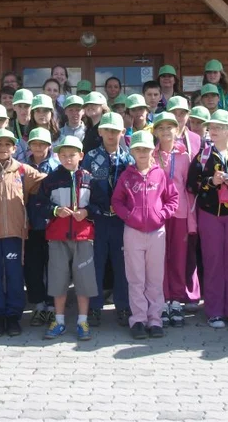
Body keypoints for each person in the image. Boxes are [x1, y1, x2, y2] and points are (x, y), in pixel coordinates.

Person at [0, 129, 47, 337]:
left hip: (15, 234)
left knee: (14, 276)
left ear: (14, 148)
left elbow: (46, 181)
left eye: (7, 145)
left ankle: (13, 316)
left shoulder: (22, 171)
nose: (3, 148)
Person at [113, 130, 179, 339]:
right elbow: (117, 201)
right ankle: (138, 319)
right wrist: (129, 216)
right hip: (133, 232)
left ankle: (155, 319)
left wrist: (161, 215)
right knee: (136, 278)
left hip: (156, 232)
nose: (142, 152)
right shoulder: (126, 175)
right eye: (138, 149)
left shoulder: (160, 174)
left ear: (153, 150)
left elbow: (173, 199)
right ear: (132, 151)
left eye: (146, 149)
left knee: (155, 278)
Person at [188, 110, 228, 330]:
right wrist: (210, 182)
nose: (212, 131)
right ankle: (214, 311)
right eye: (211, 127)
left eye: (218, 127)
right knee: (213, 262)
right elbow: (191, 185)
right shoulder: (203, 155)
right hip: (209, 215)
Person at [34, 136, 98, 341]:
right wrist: (54, 211)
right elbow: (39, 206)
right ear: (57, 156)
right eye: (63, 155)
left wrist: (87, 212)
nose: (68, 159)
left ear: (81, 155)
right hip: (57, 238)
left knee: (83, 280)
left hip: (83, 237)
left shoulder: (89, 178)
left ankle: (82, 321)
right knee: (58, 280)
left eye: (72, 155)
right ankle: (59, 320)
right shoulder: (51, 179)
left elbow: (100, 206)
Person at [83, 112, 133, 327]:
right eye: (108, 130)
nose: (111, 135)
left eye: (116, 131)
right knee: (96, 264)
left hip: (121, 221)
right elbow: (84, 187)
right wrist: (91, 210)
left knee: (122, 265)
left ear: (122, 132)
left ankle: (123, 306)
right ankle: (94, 308)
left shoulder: (129, 158)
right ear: (100, 131)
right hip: (98, 219)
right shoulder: (90, 156)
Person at [152, 112, 194, 328]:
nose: (166, 131)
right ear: (156, 131)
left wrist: (192, 220)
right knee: (159, 258)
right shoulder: (150, 155)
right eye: (161, 128)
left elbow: (189, 189)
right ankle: (161, 300)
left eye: (170, 127)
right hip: (157, 214)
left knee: (178, 257)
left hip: (179, 213)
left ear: (177, 130)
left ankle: (176, 300)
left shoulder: (185, 156)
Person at [24, 128, 61, 328]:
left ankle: (52, 306)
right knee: (33, 267)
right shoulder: (22, 167)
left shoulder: (56, 167)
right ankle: (38, 305)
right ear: (29, 145)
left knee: (54, 267)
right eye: (35, 143)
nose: (38, 147)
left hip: (52, 224)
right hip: (30, 224)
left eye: (42, 143)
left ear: (49, 146)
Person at [168, 96, 203, 160]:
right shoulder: (159, 137)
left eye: (182, 113)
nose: (178, 117)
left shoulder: (196, 139)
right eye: (174, 113)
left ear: (188, 115)